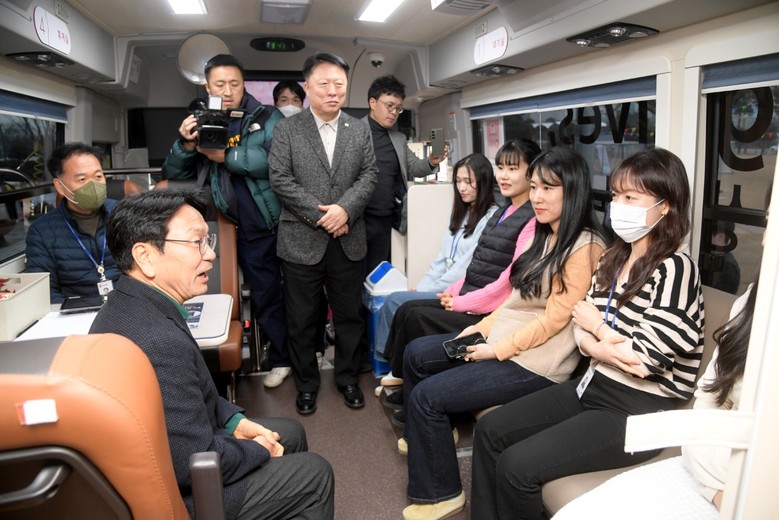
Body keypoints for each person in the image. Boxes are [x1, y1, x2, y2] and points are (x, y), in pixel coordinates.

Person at [470, 147, 705, 520]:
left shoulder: (676, 269)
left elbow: (642, 361)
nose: (618, 206)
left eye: (631, 198)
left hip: (637, 411)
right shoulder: (614, 257)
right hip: (591, 386)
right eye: (615, 196)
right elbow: (579, 325)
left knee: (517, 466)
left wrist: (598, 330)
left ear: (665, 207)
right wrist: (601, 343)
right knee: (490, 430)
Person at [89, 189, 334, 520]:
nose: (211, 255)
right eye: (197, 242)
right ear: (145, 256)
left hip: (174, 454)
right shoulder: (157, 341)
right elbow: (192, 463)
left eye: (208, 241)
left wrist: (235, 422)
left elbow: (191, 396)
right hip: (183, 496)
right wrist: (256, 450)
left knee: (291, 432)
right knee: (315, 474)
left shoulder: (132, 303)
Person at [398, 147, 607, 520]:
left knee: (428, 397)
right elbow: (514, 301)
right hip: (506, 341)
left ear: (573, 190)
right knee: (416, 354)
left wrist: (495, 350)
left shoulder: (584, 246)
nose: (537, 197)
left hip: (536, 362)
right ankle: (431, 440)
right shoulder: (543, 234)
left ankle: (441, 494)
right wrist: (477, 329)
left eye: (548, 188)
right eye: (535, 186)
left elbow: (554, 321)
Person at [161, 54, 293, 389]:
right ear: (207, 88)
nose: (228, 90)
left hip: (274, 221)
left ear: (243, 84)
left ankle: (298, 355)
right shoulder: (201, 120)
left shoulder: (266, 117)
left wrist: (228, 156)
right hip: (233, 227)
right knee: (254, 297)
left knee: (289, 293)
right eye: (220, 84)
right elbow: (175, 175)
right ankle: (276, 358)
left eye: (234, 83)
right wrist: (185, 144)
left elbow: (279, 160)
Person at [381, 138, 541, 394]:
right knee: (406, 309)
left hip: (485, 309)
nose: (503, 175)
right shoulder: (502, 213)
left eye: (512, 169)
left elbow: (507, 282)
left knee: (414, 315)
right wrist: (452, 292)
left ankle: (408, 383)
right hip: (468, 295)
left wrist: (460, 302)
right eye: (501, 167)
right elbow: (476, 265)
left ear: (532, 172)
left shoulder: (530, 219)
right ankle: (403, 378)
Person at [268, 52, 378, 415]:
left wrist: (345, 209)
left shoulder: (359, 128)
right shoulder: (287, 129)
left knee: (350, 316)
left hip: (348, 239)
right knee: (302, 319)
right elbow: (280, 179)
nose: (333, 91)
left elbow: (369, 176)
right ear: (308, 87)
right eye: (324, 84)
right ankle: (306, 384)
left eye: (339, 84)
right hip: (301, 240)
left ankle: (347, 378)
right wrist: (326, 217)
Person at [375, 152, 499, 382]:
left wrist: (430, 290)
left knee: (394, 301)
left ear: (483, 181)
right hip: (440, 286)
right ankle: (391, 364)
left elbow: (463, 269)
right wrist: (421, 287)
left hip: (455, 291)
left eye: (469, 181)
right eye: (458, 181)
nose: (462, 187)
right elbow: (441, 260)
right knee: (398, 299)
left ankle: (388, 365)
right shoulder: (462, 213)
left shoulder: (490, 218)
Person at [362, 74, 446, 274]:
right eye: (389, 106)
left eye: (398, 108)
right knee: (353, 275)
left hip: (387, 218)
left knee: (378, 273)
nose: (394, 113)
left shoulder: (398, 139)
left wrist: (432, 162)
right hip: (359, 219)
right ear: (372, 102)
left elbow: (414, 167)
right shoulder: (352, 132)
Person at [25, 143, 121, 303]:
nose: (93, 185)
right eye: (82, 179)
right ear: (60, 187)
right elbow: (45, 292)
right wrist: (72, 312)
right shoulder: (42, 231)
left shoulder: (125, 214)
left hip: (127, 307)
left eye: (98, 177)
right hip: (75, 311)